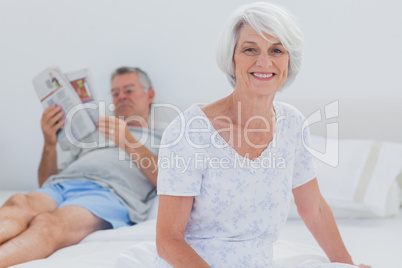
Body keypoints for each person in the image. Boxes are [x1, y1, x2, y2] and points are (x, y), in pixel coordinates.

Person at [155, 3, 370, 268]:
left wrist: (347, 264)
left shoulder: (292, 124)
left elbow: (314, 207)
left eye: (276, 50)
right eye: (250, 49)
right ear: (231, 58)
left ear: (288, 61)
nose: (264, 62)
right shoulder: (190, 130)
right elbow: (168, 240)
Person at [0, 67, 161, 267]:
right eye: (115, 93)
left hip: (108, 195)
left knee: (49, 224)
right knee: (18, 202)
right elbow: (45, 182)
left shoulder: (163, 137)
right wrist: (49, 144)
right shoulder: (93, 134)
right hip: (62, 186)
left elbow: (167, 182)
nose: (121, 97)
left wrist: (127, 141)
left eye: (128, 90)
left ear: (150, 94)